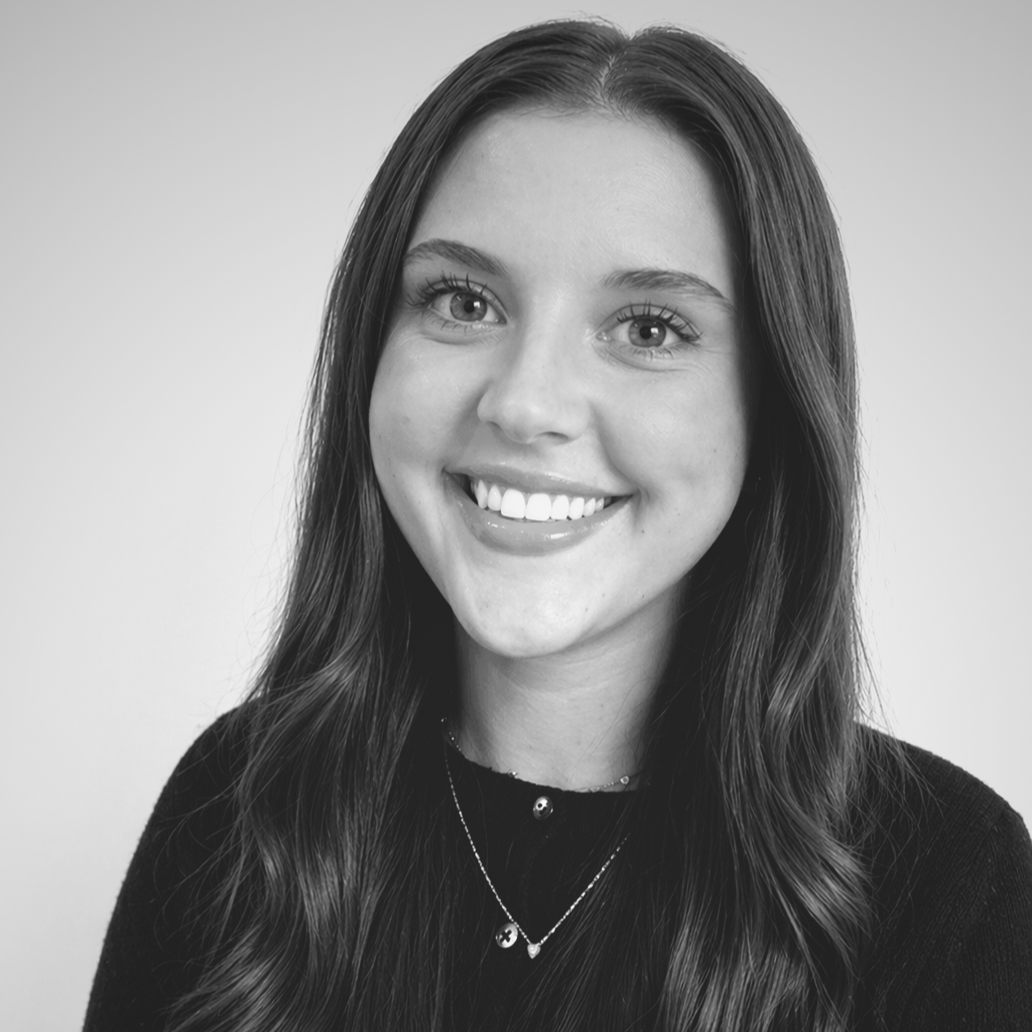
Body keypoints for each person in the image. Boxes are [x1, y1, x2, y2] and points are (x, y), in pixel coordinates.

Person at [84, 20, 1032, 1032]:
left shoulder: (954, 886)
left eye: (649, 328)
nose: (525, 403)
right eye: (464, 301)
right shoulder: (233, 810)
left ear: (774, 401)